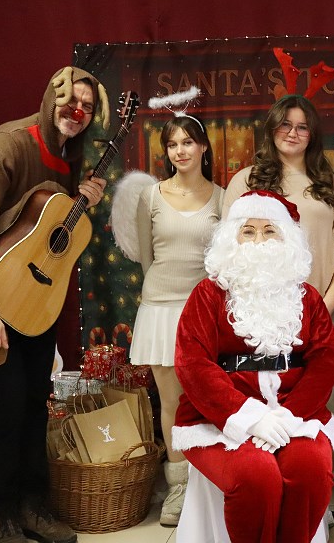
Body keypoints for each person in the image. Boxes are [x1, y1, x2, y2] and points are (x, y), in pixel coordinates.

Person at [0, 66, 109, 543]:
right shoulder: (8, 144)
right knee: (8, 405)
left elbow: (47, 221)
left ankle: (33, 506)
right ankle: (2, 517)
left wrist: (82, 202)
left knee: (37, 403)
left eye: (87, 106)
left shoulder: (72, 155)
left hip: (39, 300)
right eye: (69, 100)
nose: (77, 111)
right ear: (50, 96)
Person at [171, 190, 334, 543]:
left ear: (287, 239)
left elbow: (327, 358)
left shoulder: (307, 297)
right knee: (255, 476)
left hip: (295, 414)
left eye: (269, 231)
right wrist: (248, 417)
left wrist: (289, 416)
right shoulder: (208, 294)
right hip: (217, 419)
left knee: (310, 469)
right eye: (247, 231)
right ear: (230, 239)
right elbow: (192, 363)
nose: (259, 241)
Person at [222, 93, 334, 512]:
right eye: (285, 124)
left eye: (302, 126)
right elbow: (228, 247)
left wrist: (324, 306)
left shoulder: (332, 183)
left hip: (325, 310)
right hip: (262, 316)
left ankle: (328, 495)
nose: (293, 133)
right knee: (269, 401)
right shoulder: (246, 182)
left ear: (312, 133)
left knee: (324, 398)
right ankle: (269, 486)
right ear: (271, 129)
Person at [127, 114, 224, 526]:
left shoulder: (222, 198)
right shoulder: (150, 197)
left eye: (188, 142)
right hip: (161, 307)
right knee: (172, 401)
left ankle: (211, 482)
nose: (180, 151)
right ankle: (179, 486)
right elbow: (147, 258)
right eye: (172, 144)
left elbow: (223, 262)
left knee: (208, 399)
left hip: (204, 310)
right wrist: (161, 293)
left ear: (203, 147)